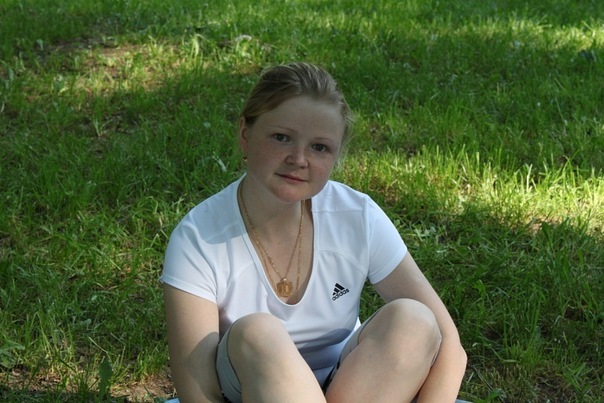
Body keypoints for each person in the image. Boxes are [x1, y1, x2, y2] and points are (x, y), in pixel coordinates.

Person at [161, 62, 467, 403]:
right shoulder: (198, 238)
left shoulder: (357, 216)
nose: (299, 159)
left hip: (353, 386)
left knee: (415, 321)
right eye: (282, 138)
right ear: (245, 134)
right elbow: (197, 391)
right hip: (246, 392)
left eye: (319, 147)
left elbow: (450, 347)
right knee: (257, 333)